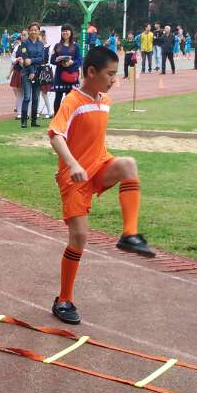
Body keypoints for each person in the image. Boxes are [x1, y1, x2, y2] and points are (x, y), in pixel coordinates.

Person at [47, 46, 156, 326]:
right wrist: (72, 164)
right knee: (80, 237)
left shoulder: (105, 101)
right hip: (75, 178)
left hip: (100, 166)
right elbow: (56, 135)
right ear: (91, 72)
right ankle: (63, 300)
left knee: (128, 164)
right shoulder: (72, 101)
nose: (113, 80)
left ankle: (130, 235)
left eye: (115, 74)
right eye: (109, 74)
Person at [14, 23, 47, 129]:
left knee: (36, 98)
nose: (34, 32)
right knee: (27, 97)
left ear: (39, 31)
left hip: (38, 73)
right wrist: (31, 69)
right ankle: (24, 121)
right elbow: (25, 59)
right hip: (26, 73)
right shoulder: (24, 44)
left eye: (36, 30)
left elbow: (41, 58)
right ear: (29, 31)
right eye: (32, 30)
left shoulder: (41, 44)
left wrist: (32, 61)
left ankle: (34, 121)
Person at [50, 25, 81, 113]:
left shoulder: (75, 46)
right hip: (60, 75)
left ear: (71, 33)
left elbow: (80, 60)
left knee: (69, 98)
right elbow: (52, 60)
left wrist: (72, 62)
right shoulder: (57, 46)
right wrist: (61, 62)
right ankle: (56, 118)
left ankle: (68, 116)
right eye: (63, 31)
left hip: (71, 75)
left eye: (67, 30)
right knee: (58, 97)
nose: (65, 33)